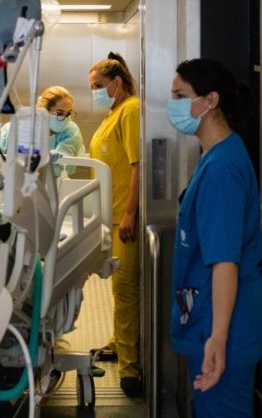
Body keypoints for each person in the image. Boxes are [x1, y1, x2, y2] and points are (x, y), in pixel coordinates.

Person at [168, 59, 262, 417]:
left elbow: (224, 261)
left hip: (228, 322)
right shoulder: (217, 155)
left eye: (180, 96)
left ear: (210, 100)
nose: (173, 105)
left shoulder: (222, 169)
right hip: (219, 316)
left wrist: (218, 338)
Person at [87, 51, 141, 397]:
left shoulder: (131, 110)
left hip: (125, 219)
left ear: (116, 83)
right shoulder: (114, 113)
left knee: (126, 291)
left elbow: (138, 165)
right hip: (112, 217)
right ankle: (119, 342)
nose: (93, 92)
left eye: (97, 86)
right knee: (119, 289)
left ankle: (130, 369)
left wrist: (130, 213)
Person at [0, 85, 86, 158]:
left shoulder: (70, 131)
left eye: (68, 113)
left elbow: (67, 165)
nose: (65, 118)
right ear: (43, 110)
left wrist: (59, 159)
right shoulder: (14, 129)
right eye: (60, 113)